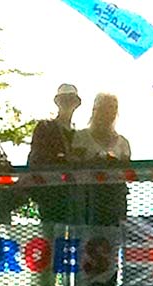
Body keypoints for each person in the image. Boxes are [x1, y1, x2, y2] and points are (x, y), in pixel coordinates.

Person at [71, 92, 131, 227]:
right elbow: (74, 166)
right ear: (96, 110)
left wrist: (115, 164)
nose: (109, 112)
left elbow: (127, 172)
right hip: (87, 201)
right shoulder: (81, 137)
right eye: (105, 108)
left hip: (114, 200)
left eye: (113, 108)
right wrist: (94, 162)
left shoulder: (122, 143)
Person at [27, 83, 82, 225]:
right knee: (52, 239)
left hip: (75, 196)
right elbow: (36, 159)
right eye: (64, 100)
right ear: (57, 102)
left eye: (71, 100)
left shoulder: (79, 133)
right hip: (50, 195)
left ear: (76, 104)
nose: (67, 103)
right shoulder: (45, 127)